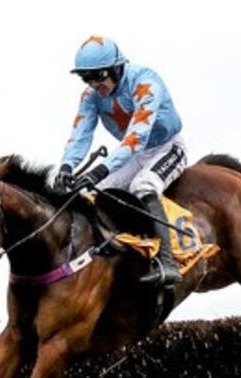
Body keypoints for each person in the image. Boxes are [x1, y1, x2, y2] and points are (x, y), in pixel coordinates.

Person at [55, 36, 187, 286]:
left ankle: (168, 262)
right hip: (135, 155)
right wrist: (66, 167)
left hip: (167, 147)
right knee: (94, 192)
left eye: (99, 75)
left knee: (143, 185)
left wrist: (101, 169)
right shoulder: (90, 96)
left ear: (117, 68)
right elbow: (81, 134)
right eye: (86, 78)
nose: (94, 84)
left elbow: (136, 138)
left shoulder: (145, 82)